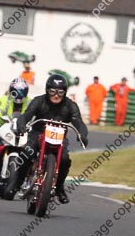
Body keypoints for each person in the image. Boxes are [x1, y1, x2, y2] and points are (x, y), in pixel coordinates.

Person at [14, 74, 89, 204]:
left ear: (65, 92)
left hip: (59, 139)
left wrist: (82, 134)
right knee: (27, 152)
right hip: (37, 134)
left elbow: (79, 122)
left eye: (60, 92)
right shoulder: (39, 101)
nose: (56, 95)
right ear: (47, 90)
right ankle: (18, 181)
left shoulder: (70, 105)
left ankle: (59, 188)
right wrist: (21, 125)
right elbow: (26, 115)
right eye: (52, 91)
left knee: (65, 160)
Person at [0, 78, 31, 167]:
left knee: (33, 147)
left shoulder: (30, 102)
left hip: (23, 130)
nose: (19, 96)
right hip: (5, 127)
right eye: (16, 92)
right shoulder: (4, 99)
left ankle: (30, 168)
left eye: (22, 92)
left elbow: (34, 115)